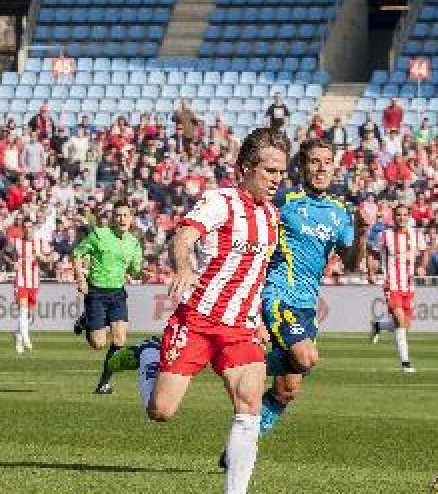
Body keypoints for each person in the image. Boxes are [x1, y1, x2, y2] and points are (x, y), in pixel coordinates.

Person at [108, 127, 289, 494]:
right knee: (161, 412)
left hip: (239, 327)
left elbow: (254, 274)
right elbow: (184, 237)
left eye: (282, 172)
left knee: (249, 404)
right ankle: (148, 356)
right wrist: (184, 267)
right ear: (245, 168)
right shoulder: (219, 202)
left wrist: (258, 320)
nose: (277, 180)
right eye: (270, 171)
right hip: (196, 321)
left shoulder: (272, 217)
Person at [234, 138, 371, 452]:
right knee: (306, 356)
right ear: (302, 166)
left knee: (288, 388)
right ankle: (230, 359)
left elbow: (351, 263)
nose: (321, 168)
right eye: (314, 161)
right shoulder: (284, 199)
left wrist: (362, 232)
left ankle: (241, 445)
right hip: (278, 294)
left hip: (306, 306)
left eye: (326, 162)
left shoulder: (339, 212)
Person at [71, 199, 143, 394]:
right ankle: (86, 320)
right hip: (96, 292)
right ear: (112, 218)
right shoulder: (99, 235)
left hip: (118, 293)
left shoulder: (134, 243)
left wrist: (139, 272)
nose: (121, 219)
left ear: (131, 219)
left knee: (119, 340)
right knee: (98, 344)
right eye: (118, 215)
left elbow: (136, 271)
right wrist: (80, 278)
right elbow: (77, 253)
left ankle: (104, 383)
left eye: (125, 215)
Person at [369, 204, 421, 373]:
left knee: (405, 324)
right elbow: (373, 253)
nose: (401, 218)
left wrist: (423, 266)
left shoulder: (416, 234)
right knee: (399, 320)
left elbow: (425, 251)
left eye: (405, 215)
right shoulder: (385, 235)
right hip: (391, 284)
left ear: (409, 216)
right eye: (398, 215)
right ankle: (405, 363)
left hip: (409, 285)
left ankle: (379, 326)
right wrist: (371, 271)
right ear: (394, 216)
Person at [8, 224, 50, 354]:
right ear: (23, 230)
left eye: (30, 227)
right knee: (23, 311)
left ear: (33, 229)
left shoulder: (39, 243)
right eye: (25, 227)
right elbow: (5, 254)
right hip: (21, 280)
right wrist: (12, 263)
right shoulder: (17, 242)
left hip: (34, 281)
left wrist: (45, 258)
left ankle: (18, 335)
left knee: (30, 316)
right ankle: (26, 338)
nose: (28, 229)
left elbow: (47, 259)